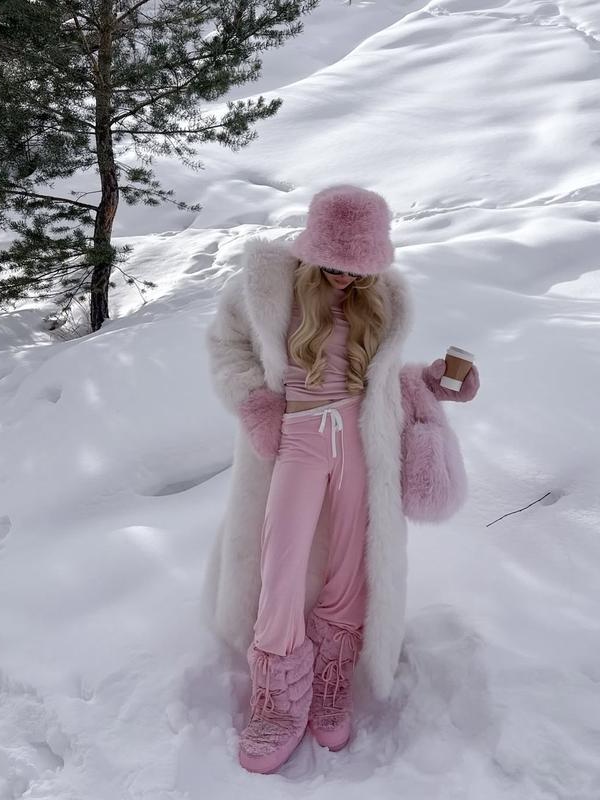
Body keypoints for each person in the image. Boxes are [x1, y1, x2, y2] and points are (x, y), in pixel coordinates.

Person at [203, 184, 480, 774]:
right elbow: (226, 348)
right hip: (298, 436)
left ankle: (331, 678)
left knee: (351, 564)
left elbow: (383, 378)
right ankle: (278, 695)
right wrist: (255, 402)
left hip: (360, 439)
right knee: (280, 564)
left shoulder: (382, 301)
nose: (344, 278)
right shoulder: (266, 286)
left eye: (357, 269)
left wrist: (432, 382)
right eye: (334, 264)